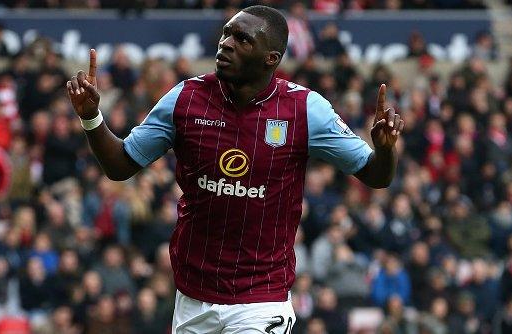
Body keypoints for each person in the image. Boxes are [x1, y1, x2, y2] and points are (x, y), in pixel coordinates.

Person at [66, 5, 404, 332]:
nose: (226, 43)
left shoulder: (305, 109)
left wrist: (386, 151)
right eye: (227, 33)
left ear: (271, 58)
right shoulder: (185, 99)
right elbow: (120, 165)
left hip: (261, 298)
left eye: (242, 39)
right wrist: (90, 116)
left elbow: (375, 174)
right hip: (193, 294)